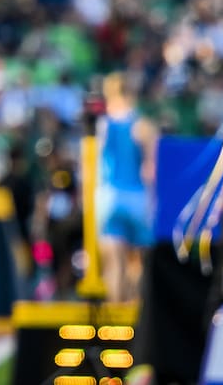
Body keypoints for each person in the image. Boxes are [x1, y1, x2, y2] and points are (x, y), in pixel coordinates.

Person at [95, 73, 157, 302]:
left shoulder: (104, 125)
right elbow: (151, 169)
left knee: (114, 263)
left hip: (109, 196)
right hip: (136, 196)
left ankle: (115, 313)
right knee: (140, 261)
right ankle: (137, 311)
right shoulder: (141, 125)